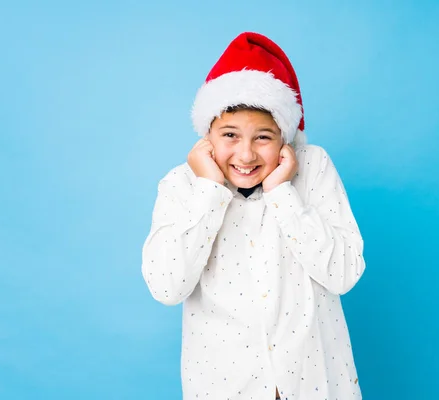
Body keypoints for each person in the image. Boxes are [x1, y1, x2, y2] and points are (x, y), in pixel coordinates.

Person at [141, 31, 366, 400]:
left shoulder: (313, 168)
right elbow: (167, 286)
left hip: (317, 384)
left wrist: (282, 192)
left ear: (285, 138)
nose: (245, 156)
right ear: (207, 135)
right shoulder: (182, 187)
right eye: (230, 134)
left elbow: (344, 274)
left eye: (262, 137)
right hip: (225, 388)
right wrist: (210, 190)